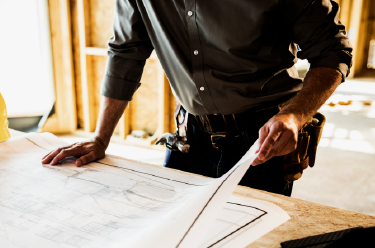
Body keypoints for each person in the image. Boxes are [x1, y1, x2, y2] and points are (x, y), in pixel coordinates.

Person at [42, 0, 352, 196]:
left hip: (263, 137)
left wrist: (295, 115)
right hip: (189, 135)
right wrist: (100, 139)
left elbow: (333, 51)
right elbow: (126, 53)